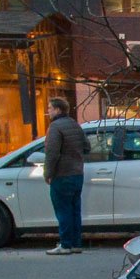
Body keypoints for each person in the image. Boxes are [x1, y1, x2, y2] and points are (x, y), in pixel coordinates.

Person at [43, 97, 86, 255]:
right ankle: (76, 243)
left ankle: (65, 244)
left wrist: (48, 173)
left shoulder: (55, 127)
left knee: (63, 210)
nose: (48, 111)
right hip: (77, 173)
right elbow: (87, 147)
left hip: (62, 174)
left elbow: (52, 153)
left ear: (57, 110)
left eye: (50, 108)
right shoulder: (75, 125)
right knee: (75, 210)